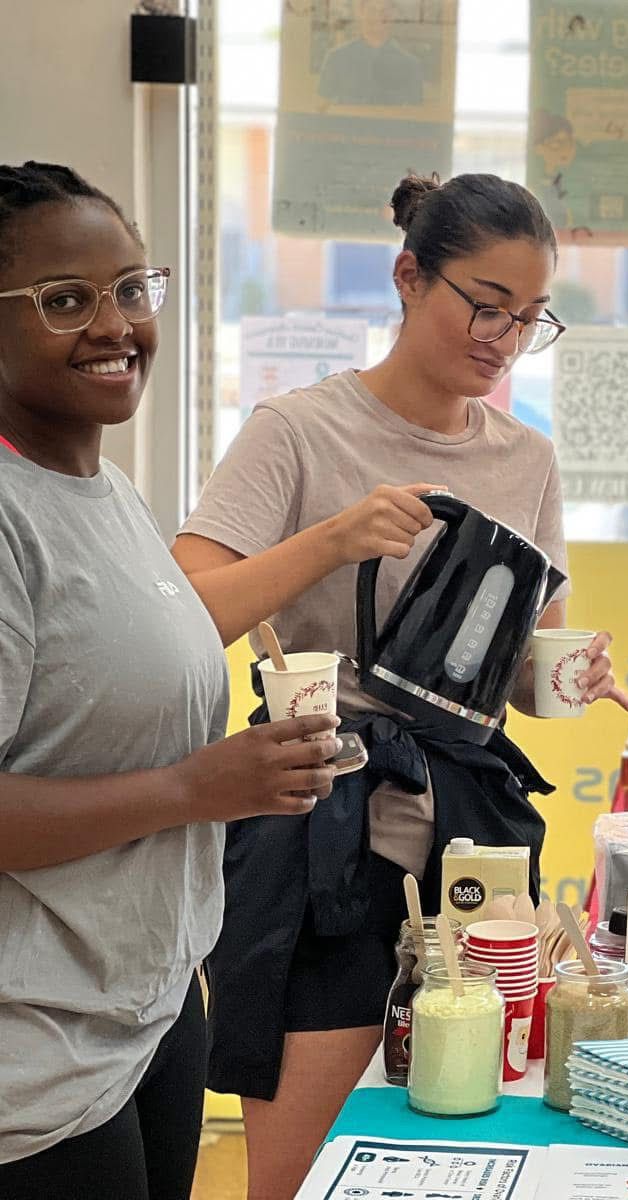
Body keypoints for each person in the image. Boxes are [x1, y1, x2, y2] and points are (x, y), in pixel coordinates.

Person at [172, 170, 628, 1199]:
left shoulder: (528, 459)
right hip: (318, 816)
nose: (504, 338)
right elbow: (189, 606)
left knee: (466, 1142)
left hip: (470, 836)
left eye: (529, 319)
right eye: (483, 305)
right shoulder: (298, 431)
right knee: (296, 1170)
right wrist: (333, 539)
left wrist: (571, 671)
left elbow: (520, 679)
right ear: (408, 276)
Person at [0, 162, 338, 1199]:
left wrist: (247, 772)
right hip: (35, 1058)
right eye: (66, 301)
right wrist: (200, 790)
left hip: (145, 1013)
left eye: (131, 290)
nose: (115, 326)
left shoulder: (105, 489)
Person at [317, 0, 425, 107]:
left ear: (393, 14)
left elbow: (414, 116)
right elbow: (321, 108)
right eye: (372, 10)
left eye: (385, 10)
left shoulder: (412, 65)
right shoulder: (336, 59)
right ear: (360, 12)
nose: (378, 16)